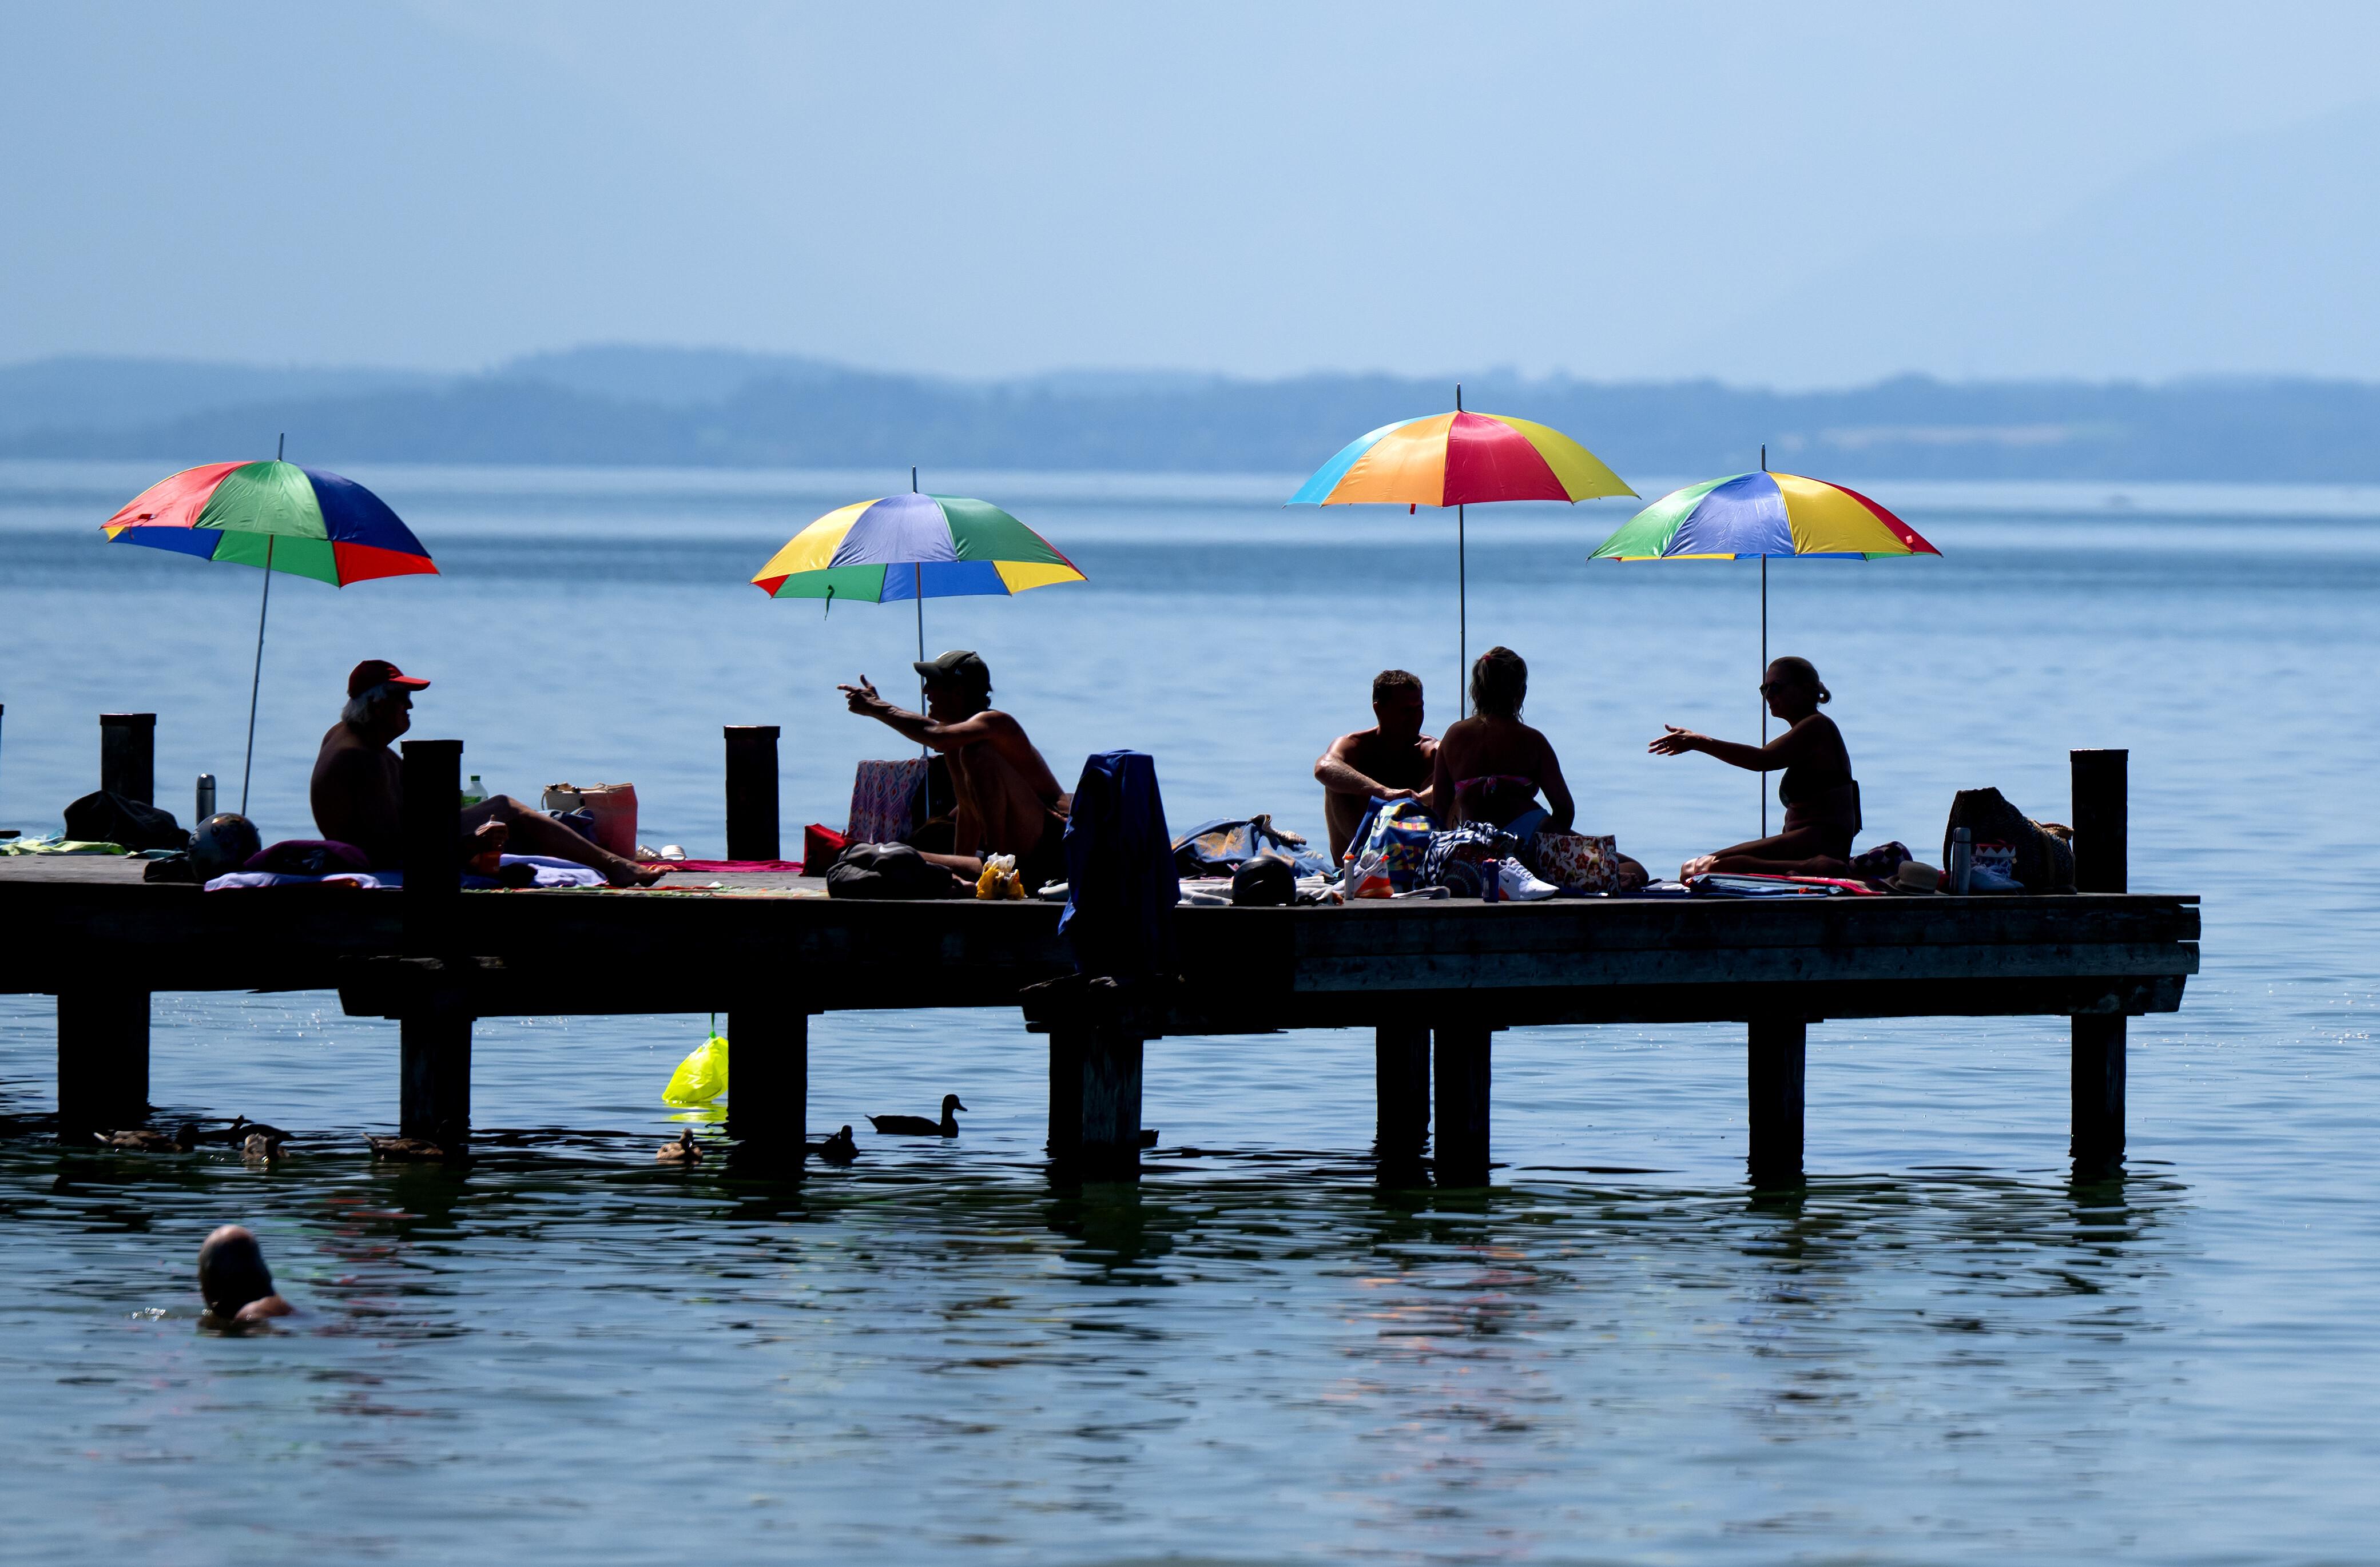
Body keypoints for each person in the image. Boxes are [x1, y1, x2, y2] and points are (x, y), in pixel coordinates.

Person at [310, 659, 662, 886]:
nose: (410, 705)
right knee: (506, 808)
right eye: (401, 697)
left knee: (514, 823)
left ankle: (609, 862)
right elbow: (391, 848)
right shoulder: (362, 758)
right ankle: (615, 865)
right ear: (375, 704)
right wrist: (470, 846)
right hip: (384, 856)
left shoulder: (351, 736)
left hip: (402, 841)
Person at [839, 650, 1071, 892]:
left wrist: (878, 708)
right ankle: (991, 875)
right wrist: (957, 876)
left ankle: (999, 878)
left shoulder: (997, 724)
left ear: (958, 692)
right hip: (1014, 861)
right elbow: (968, 817)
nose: (925, 691)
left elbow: (937, 736)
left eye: (933, 683)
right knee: (887, 854)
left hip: (1055, 851)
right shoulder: (955, 745)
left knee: (976, 753)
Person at [1648, 655, 1862, 879]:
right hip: (1805, 843)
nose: (1769, 695)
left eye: (1776, 687)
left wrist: (1698, 742)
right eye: (1764, 689)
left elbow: (1762, 760)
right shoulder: (1809, 730)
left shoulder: (1818, 726)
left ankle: (1814, 868)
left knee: (1704, 869)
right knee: (1691, 869)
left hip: (1821, 842)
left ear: (1806, 689)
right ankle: (1803, 867)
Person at [1429, 646, 1575, 839]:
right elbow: (1565, 810)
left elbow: (1440, 808)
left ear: (1476, 691)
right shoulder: (1532, 740)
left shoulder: (1454, 736)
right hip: (1530, 832)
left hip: (1475, 838)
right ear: (1520, 692)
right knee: (1611, 856)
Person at [1314, 669, 1438, 863]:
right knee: (1337, 779)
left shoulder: (1430, 750)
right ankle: (1363, 859)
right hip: (1361, 854)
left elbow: (1460, 773)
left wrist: (1420, 799)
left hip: (1416, 852)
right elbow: (1323, 767)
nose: (1416, 717)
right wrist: (1384, 793)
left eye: (1419, 708)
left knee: (1448, 780)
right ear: (1379, 709)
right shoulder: (1356, 745)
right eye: (1406, 710)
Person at [197, 1224, 293, 1327]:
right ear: (266, 1273)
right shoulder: (280, 1307)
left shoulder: (250, 1316)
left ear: (213, 1285)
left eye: (201, 1279)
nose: (201, 1289)